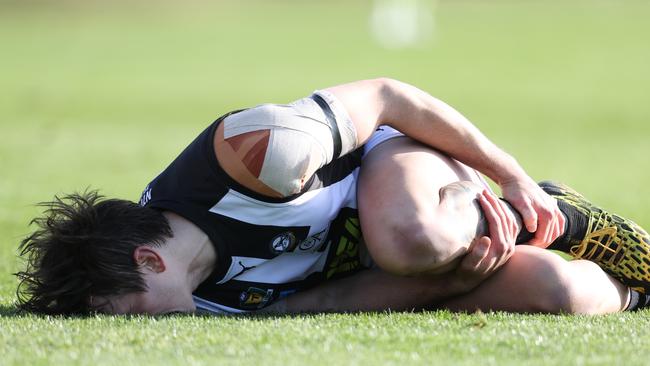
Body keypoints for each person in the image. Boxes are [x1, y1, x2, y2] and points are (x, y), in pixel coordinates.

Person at [15, 78, 650, 316]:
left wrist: (506, 172)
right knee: (558, 295)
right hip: (395, 263)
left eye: (126, 314)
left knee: (409, 239)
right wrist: (451, 286)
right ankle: (638, 295)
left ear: (149, 263)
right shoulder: (209, 305)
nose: (132, 334)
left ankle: (546, 209)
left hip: (396, 168)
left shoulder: (252, 156)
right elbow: (342, 296)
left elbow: (386, 96)